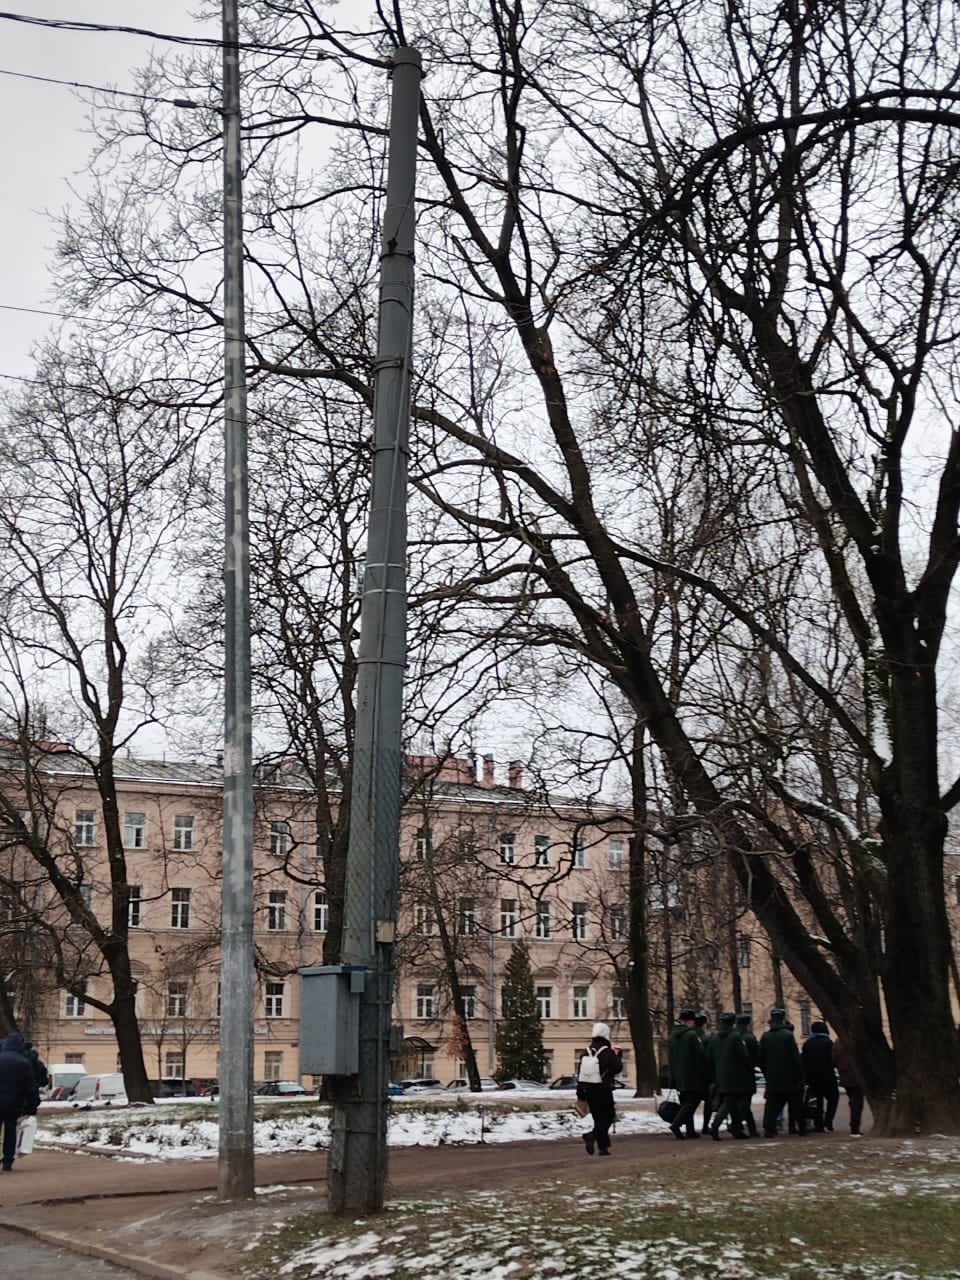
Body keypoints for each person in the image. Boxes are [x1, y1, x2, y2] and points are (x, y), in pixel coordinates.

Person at [578, 1021, 622, 1156]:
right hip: (603, 1089)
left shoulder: (585, 1052)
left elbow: (580, 1073)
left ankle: (603, 1148)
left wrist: (580, 1093)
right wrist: (618, 1056)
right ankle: (592, 1135)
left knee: (598, 1118)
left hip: (589, 1090)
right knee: (608, 1117)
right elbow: (617, 1068)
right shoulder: (607, 1052)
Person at [759, 1008, 805, 1137]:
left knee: (772, 1105)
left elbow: (761, 1058)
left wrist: (767, 1072)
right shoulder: (787, 1035)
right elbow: (795, 1058)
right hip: (790, 1076)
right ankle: (801, 1127)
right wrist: (800, 1074)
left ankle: (769, 1129)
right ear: (783, 1019)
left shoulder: (766, 1036)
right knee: (796, 1103)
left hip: (773, 1077)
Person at [0, 1032, 40, 1171]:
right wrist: (32, 1106)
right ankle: (8, 1160)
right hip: (13, 1103)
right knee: (10, 1130)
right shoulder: (23, 1063)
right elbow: (31, 1087)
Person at [708, 1012, 751, 1139]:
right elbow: (744, 1055)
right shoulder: (735, 1036)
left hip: (720, 1075)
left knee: (732, 1104)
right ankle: (715, 1126)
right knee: (730, 1102)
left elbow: (709, 1056)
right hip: (736, 1076)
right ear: (733, 1023)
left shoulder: (715, 1037)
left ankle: (737, 1130)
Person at [666, 1008, 706, 1139]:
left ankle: (690, 1130)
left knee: (685, 1102)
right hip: (692, 1075)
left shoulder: (673, 1035)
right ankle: (676, 1124)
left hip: (678, 1076)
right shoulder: (691, 1035)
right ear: (690, 1021)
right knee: (692, 1102)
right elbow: (700, 1055)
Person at [801, 1020, 839, 1132]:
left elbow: (803, 1060)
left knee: (817, 1101)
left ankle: (819, 1124)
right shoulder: (828, 1043)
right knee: (833, 1098)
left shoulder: (807, 1044)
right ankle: (828, 1122)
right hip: (827, 1077)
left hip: (812, 1078)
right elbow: (833, 1060)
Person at [832, 1038, 865, 1136]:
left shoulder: (838, 1042)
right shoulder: (858, 1041)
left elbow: (833, 1061)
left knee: (853, 1101)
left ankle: (854, 1126)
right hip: (857, 1076)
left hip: (845, 1076)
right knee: (857, 1103)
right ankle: (855, 1128)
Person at [735, 1012, 759, 1136]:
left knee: (742, 1103)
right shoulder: (749, 1037)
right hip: (747, 1074)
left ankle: (752, 1129)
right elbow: (756, 1055)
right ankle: (737, 1125)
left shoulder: (733, 1036)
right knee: (745, 1102)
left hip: (733, 1075)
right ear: (748, 1024)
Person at [694, 1013, 715, 1134]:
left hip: (691, 1074)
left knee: (691, 1102)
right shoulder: (707, 1038)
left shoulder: (688, 1036)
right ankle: (705, 1126)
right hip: (706, 1075)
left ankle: (689, 1127)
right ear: (704, 1024)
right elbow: (710, 1057)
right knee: (708, 1102)